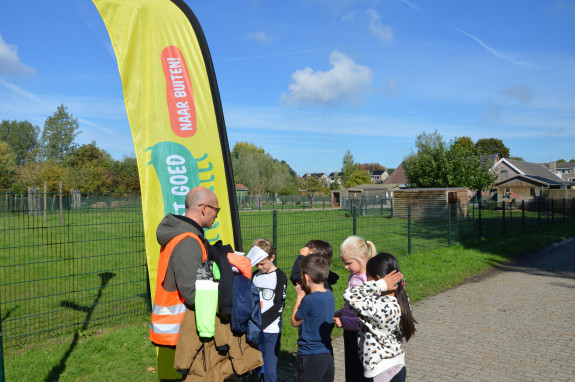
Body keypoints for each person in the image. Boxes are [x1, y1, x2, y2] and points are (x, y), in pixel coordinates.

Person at [151, 186, 262, 381]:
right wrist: (230, 299)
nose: (216, 216)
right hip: (183, 327)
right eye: (216, 210)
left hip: (187, 326)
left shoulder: (190, 237)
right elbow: (193, 292)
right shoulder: (188, 242)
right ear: (204, 208)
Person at [343, 253, 417, 382]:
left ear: (378, 279)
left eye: (367, 278)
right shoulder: (402, 298)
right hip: (396, 366)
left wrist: (380, 284)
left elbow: (350, 295)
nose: (366, 282)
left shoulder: (380, 308)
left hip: (381, 373)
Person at [333, 235, 377, 382]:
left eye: (348, 263)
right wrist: (341, 312)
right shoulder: (354, 276)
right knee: (351, 372)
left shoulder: (368, 282)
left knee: (360, 374)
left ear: (362, 258)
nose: (346, 267)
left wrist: (344, 321)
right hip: (350, 334)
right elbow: (351, 306)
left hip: (362, 337)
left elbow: (368, 319)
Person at [291, 254, 335, 382]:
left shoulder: (308, 300)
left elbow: (295, 321)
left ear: (306, 277)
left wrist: (300, 296)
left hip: (309, 355)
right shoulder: (330, 295)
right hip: (327, 354)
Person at [251, 238, 287, 382]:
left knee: (270, 371)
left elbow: (279, 306)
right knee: (256, 368)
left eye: (262, 263)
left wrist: (261, 322)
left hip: (271, 330)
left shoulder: (280, 276)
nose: (259, 267)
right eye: (257, 263)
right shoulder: (254, 276)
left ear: (272, 257)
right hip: (254, 330)